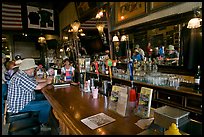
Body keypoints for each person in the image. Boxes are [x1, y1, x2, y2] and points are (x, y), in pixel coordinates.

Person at [7, 58, 53, 127]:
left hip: (24, 99)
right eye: (33, 68)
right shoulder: (21, 77)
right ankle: (43, 123)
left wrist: (46, 79)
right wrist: (47, 82)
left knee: (44, 96)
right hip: (20, 105)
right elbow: (38, 87)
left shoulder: (22, 74)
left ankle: (40, 115)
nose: (34, 70)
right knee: (47, 104)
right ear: (29, 69)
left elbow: (35, 80)